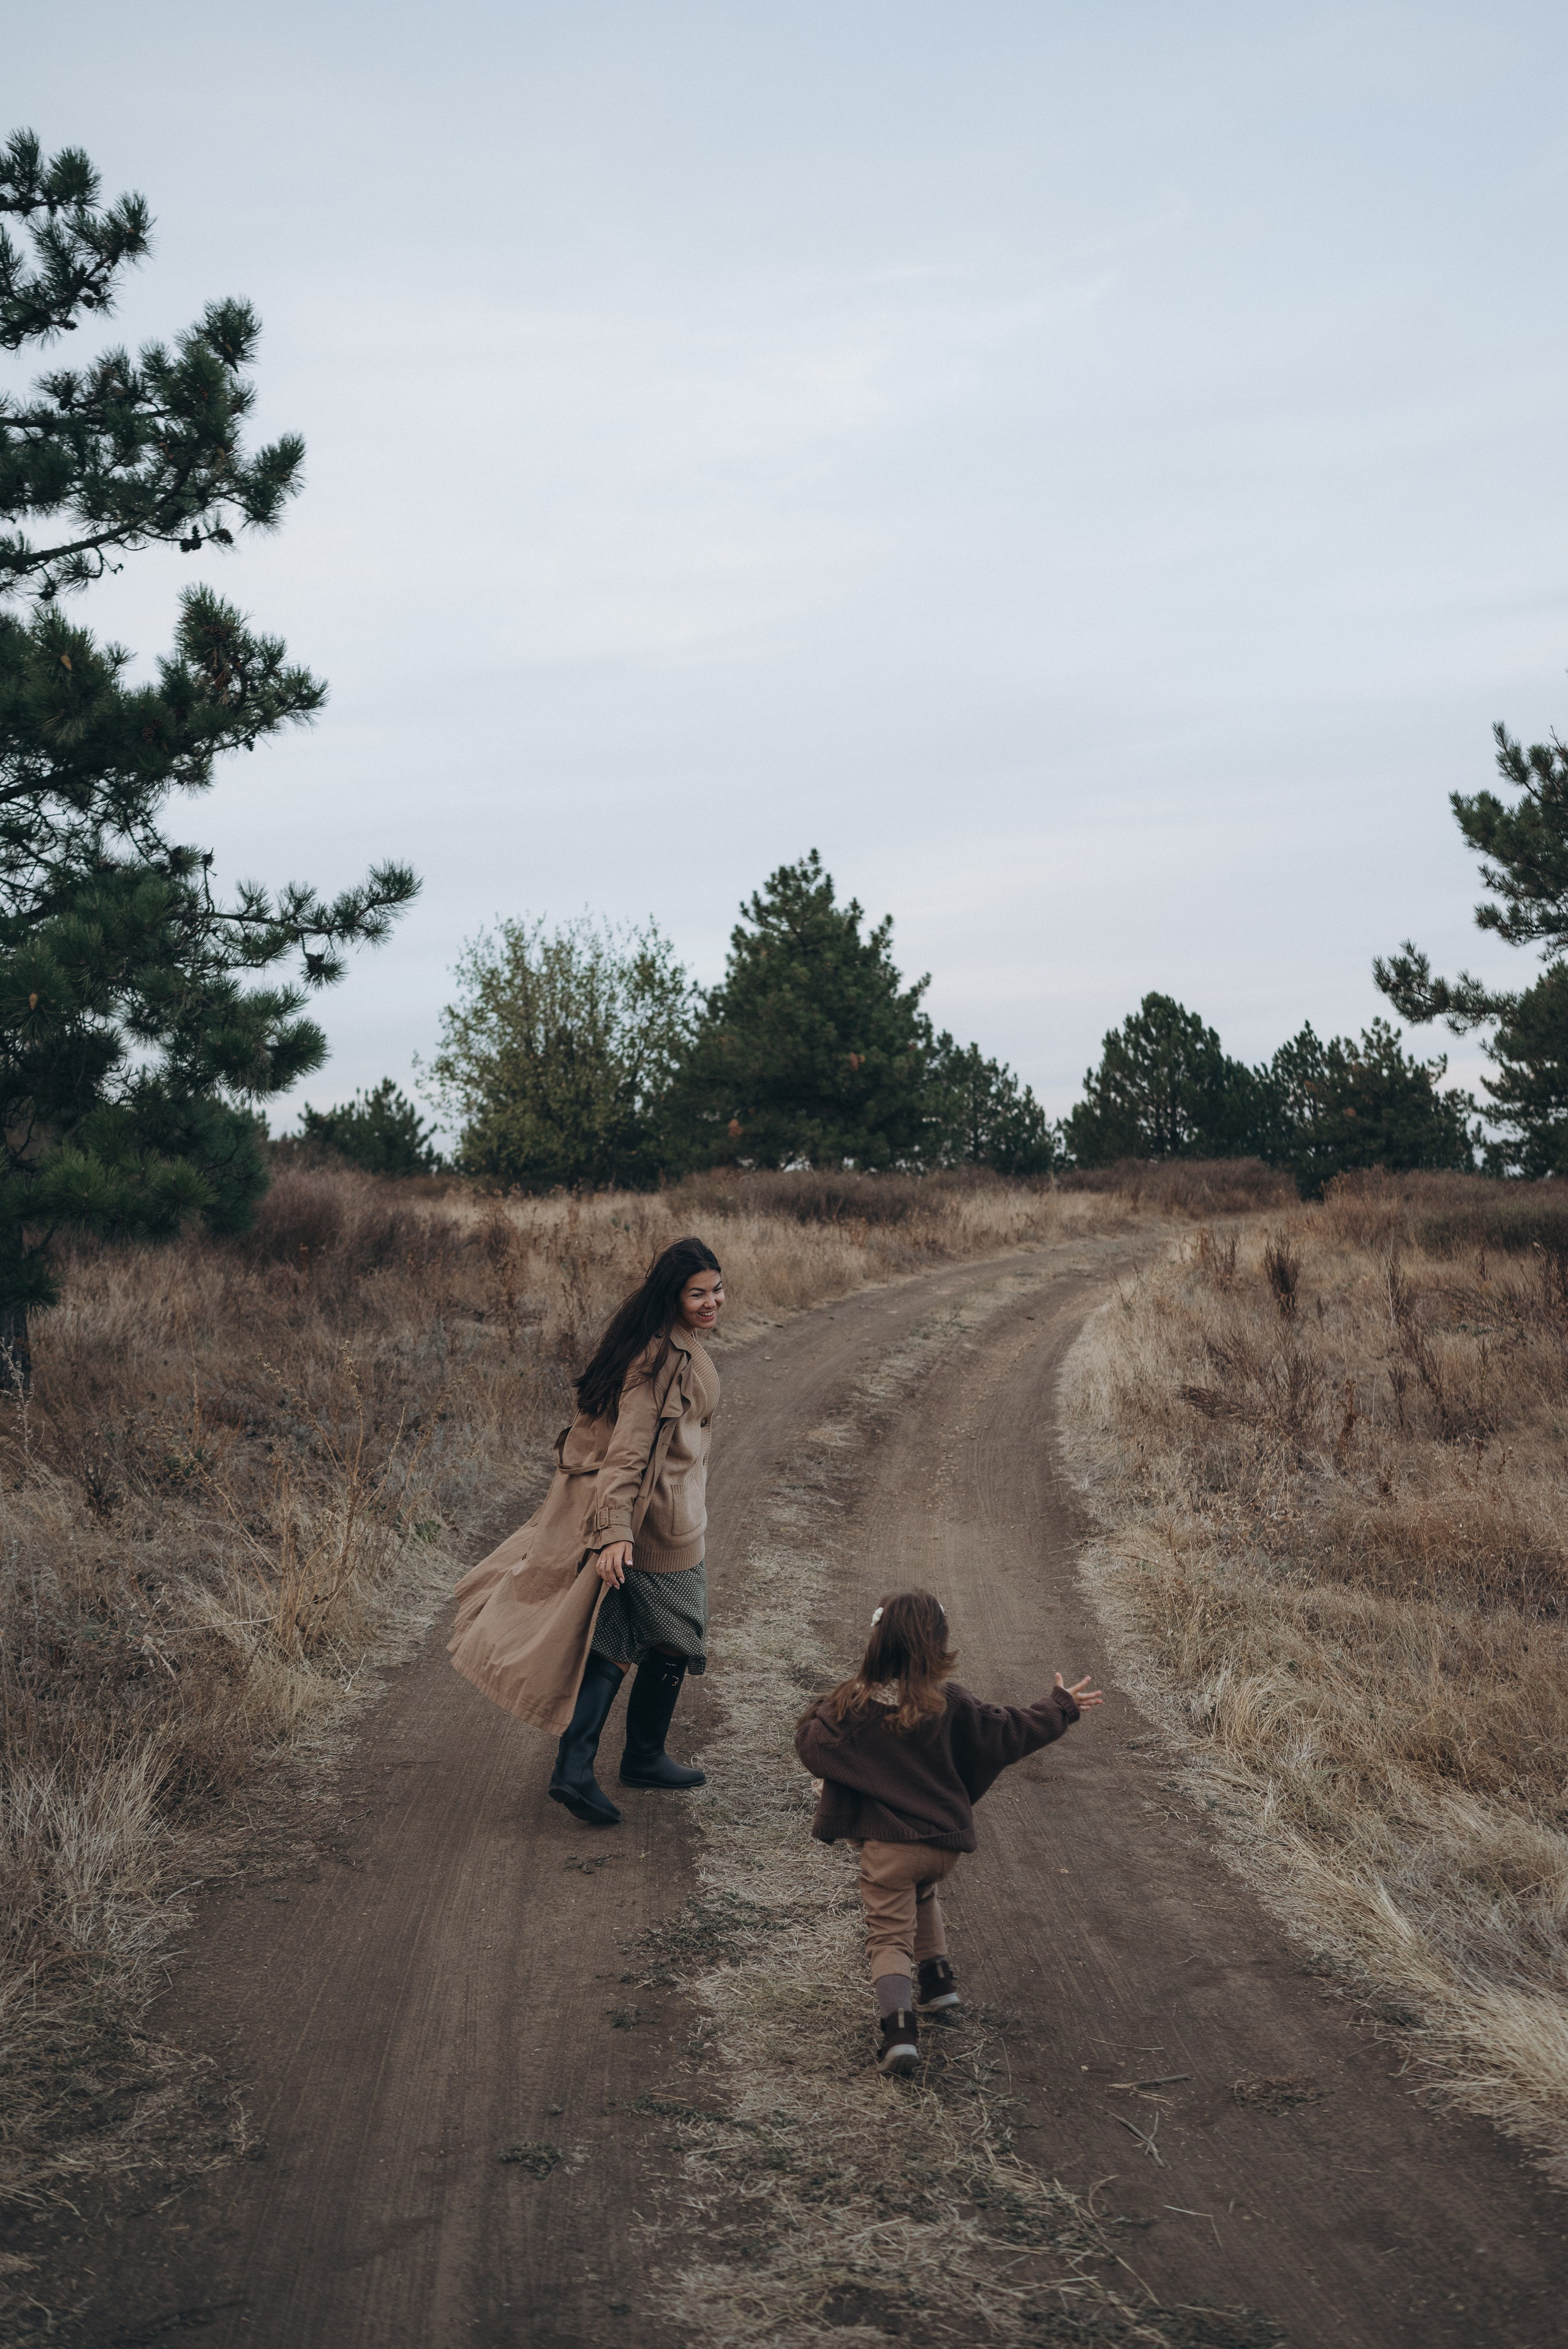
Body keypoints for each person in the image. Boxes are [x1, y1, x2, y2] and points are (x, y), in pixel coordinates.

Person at [449, 1237, 724, 1828]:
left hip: (662, 1515)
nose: (711, 1302)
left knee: (620, 1636)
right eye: (697, 1292)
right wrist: (615, 1532)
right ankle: (640, 1756)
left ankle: (583, 1767)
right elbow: (626, 1455)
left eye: (716, 1289)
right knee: (678, 1632)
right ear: (673, 1295)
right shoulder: (661, 1361)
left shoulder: (666, 1343)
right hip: (658, 1527)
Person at [794, 1590, 1102, 2074]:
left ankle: (899, 2033)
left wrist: (850, 1694)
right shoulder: (951, 1703)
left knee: (888, 1936)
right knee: (923, 1895)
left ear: (877, 1643)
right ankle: (939, 1985)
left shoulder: (856, 1708)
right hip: (941, 1848)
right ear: (938, 1647)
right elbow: (1011, 1730)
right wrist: (1060, 1706)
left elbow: (811, 1742)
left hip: (889, 1852)